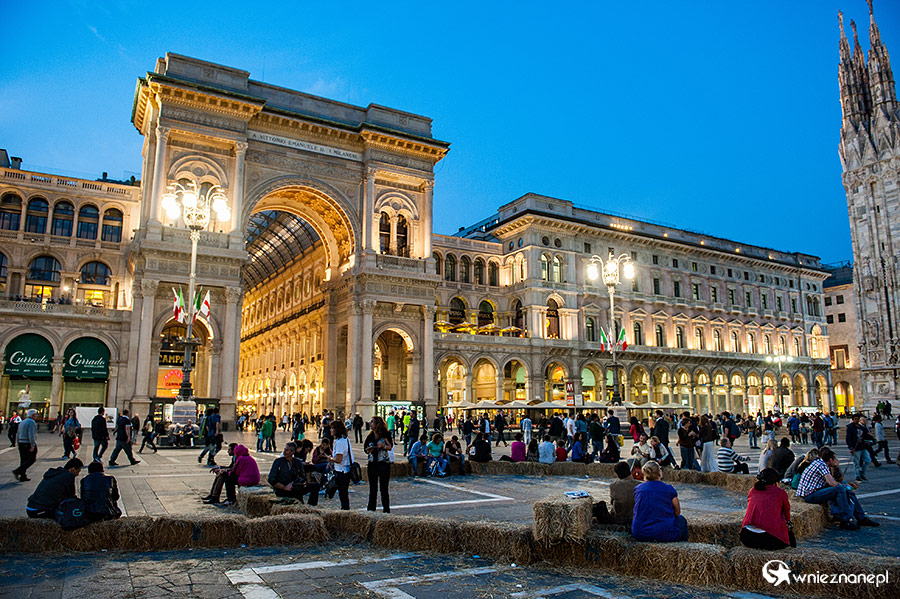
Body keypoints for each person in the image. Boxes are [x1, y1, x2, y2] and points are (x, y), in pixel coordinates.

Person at [795, 447, 878, 530]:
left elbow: (835, 481)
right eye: (835, 459)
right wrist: (846, 486)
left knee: (845, 489)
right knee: (840, 489)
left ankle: (861, 518)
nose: (836, 460)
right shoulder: (821, 465)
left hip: (814, 492)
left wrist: (846, 486)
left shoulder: (820, 463)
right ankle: (845, 520)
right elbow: (833, 484)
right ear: (830, 460)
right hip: (809, 495)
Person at [631, 461, 688, 542]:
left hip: (640, 533)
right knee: (681, 519)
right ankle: (683, 547)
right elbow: (677, 512)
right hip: (665, 534)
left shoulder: (638, 489)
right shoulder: (669, 489)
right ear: (660, 473)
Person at [740, 468, 794, 550]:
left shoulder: (752, 490)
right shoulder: (780, 493)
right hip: (766, 539)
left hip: (746, 537)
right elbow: (787, 514)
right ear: (776, 482)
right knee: (789, 535)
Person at [364, 416, 393, 512]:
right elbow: (365, 448)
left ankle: (386, 509)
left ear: (377, 424)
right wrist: (369, 450)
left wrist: (383, 446)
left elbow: (390, 447)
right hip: (372, 463)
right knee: (373, 489)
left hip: (383, 463)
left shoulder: (386, 434)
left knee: (384, 489)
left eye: (372, 422)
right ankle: (371, 509)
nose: (370, 424)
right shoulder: (370, 436)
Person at [328, 420, 351, 510]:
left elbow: (338, 459)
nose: (330, 430)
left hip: (342, 471)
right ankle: (345, 509)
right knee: (343, 493)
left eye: (332, 428)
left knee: (343, 493)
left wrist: (330, 458)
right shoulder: (345, 439)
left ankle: (345, 510)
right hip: (344, 469)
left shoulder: (340, 442)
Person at [12, 409, 39, 482]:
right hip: (27, 442)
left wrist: (17, 442)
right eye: (36, 414)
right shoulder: (31, 422)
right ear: (33, 415)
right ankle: (18, 471)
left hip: (21, 442)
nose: (37, 416)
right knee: (32, 459)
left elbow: (18, 433)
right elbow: (31, 434)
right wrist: (33, 445)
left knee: (23, 459)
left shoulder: (22, 422)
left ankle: (23, 476)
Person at [846, 414, 871, 481]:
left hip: (862, 446)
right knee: (856, 462)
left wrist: (868, 439)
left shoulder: (861, 427)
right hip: (855, 447)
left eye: (858, 419)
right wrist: (851, 447)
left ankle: (862, 472)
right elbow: (848, 438)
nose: (857, 420)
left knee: (868, 460)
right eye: (855, 419)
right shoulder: (850, 427)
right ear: (853, 419)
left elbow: (865, 435)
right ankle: (857, 475)